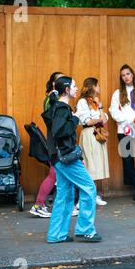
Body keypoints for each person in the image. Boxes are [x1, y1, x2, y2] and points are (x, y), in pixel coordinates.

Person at [42, 76, 102, 243]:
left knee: (65, 194)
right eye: (74, 86)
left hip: (58, 157)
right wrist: (75, 118)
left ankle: (56, 234)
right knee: (89, 188)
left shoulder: (56, 106)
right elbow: (60, 131)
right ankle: (85, 230)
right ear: (66, 89)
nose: (77, 89)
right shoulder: (62, 109)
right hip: (66, 157)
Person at [29, 72, 79, 218]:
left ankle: (62, 205)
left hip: (58, 146)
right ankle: (39, 204)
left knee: (58, 176)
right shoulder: (53, 101)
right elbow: (56, 125)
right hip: (58, 146)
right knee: (55, 175)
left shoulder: (55, 100)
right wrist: (74, 119)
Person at [76, 77, 109, 206]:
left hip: (97, 134)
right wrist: (98, 119)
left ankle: (93, 194)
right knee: (89, 164)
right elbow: (88, 121)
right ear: (94, 86)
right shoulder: (82, 102)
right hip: (89, 133)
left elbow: (104, 120)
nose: (99, 88)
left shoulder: (96, 102)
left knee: (96, 164)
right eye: (98, 85)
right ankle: (83, 197)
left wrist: (100, 107)